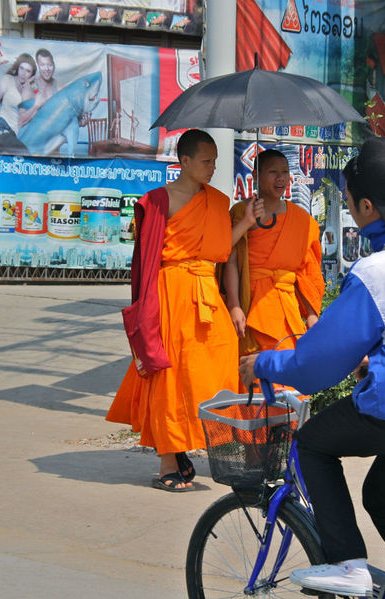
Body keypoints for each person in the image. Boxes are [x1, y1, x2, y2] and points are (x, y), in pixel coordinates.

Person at [239, 137, 385, 596]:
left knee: (311, 445)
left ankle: (347, 564)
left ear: (367, 206)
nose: (348, 207)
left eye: (348, 200)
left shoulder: (377, 271)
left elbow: (314, 368)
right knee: (382, 497)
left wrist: (264, 363)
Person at [107, 129, 263, 491]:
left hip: (206, 293)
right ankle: (168, 458)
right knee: (172, 373)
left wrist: (246, 222)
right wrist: (147, 313)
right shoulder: (158, 201)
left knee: (221, 366)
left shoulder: (217, 201)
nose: (212, 168)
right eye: (206, 161)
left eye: (215, 162)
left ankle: (207, 441)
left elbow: (220, 250)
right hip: (172, 293)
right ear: (185, 161)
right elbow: (146, 261)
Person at [223, 149, 324, 386]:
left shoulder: (302, 220)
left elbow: (307, 272)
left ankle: (287, 423)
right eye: (273, 172)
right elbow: (231, 260)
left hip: (286, 307)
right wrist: (235, 304)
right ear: (256, 175)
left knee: (287, 376)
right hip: (251, 305)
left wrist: (310, 314)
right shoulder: (241, 212)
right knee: (251, 377)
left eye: (285, 172)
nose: (281, 178)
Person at [0, 53, 36, 153]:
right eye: (21, 68)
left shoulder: (30, 94)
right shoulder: (8, 80)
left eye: (28, 71)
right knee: (24, 152)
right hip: (0, 128)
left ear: (32, 75)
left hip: (12, 135)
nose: (23, 73)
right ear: (17, 68)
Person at [17, 48, 57, 129]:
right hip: (33, 137)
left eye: (49, 65)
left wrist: (80, 120)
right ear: (38, 66)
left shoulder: (59, 86)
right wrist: (36, 106)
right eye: (42, 65)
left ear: (54, 65)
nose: (47, 69)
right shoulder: (32, 85)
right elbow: (20, 122)